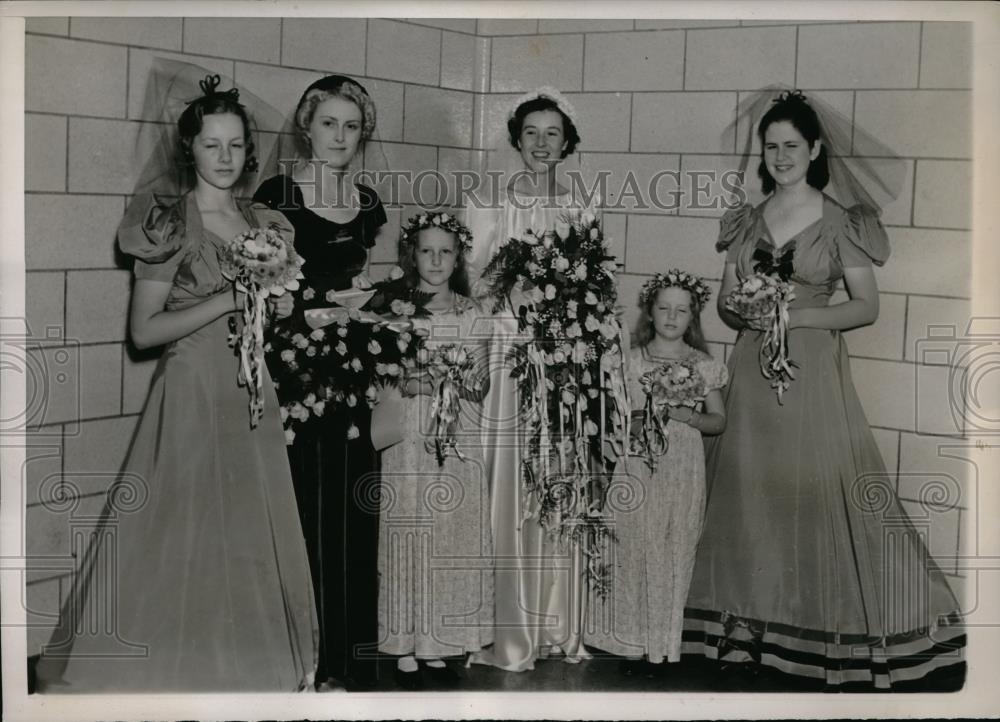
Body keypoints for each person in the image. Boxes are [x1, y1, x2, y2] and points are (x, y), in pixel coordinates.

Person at [34, 74, 317, 692]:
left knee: (244, 531)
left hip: (250, 394)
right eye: (211, 144)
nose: (224, 157)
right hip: (191, 389)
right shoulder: (166, 221)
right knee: (178, 531)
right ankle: (165, 668)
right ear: (189, 147)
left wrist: (277, 304)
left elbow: (274, 311)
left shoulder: (264, 222)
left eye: (236, 145)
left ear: (249, 150)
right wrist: (227, 300)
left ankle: (236, 664)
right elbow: (144, 331)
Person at [682, 90, 965, 689]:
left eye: (792, 146)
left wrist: (795, 316)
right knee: (750, 496)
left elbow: (865, 307)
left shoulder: (841, 220)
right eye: (771, 147)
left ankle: (818, 626)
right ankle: (747, 630)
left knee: (813, 492)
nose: (781, 156)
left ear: (814, 149)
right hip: (753, 371)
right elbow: (727, 305)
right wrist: (744, 309)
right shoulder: (748, 220)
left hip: (809, 371)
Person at [253, 75, 387, 691]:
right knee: (303, 504)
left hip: (351, 370)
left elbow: (364, 280)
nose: (340, 136)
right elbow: (262, 287)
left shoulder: (367, 201)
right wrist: (309, 306)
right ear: (307, 126)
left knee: (354, 506)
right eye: (329, 123)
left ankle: (349, 657)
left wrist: (367, 303)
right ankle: (301, 657)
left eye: (351, 125)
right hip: (293, 369)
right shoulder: (277, 194)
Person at [464, 87, 601, 672]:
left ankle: (554, 625)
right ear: (517, 141)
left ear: (567, 142)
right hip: (510, 351)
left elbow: (596, 282)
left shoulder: (583, 203)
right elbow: (473, 281)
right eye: (531, 134)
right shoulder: (490, 199)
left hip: (565, 356)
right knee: (511, 478)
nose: (542, 144)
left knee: (559, 475)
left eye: (553, 134)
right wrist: (512, 287)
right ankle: (509, 627)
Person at [587, 270, 726, 676]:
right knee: (632, 545)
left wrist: (687, 414)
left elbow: (719, 421)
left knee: (672, 546)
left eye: (681, 310)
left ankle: (662, 648)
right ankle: (630, 642)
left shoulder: (702, 365)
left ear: (693, 317)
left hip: (682, 465)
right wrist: (632, 420)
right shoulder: (629, 360)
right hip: (637, 461)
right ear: (650, 311)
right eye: (664, 308)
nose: (671, 317)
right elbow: (611, 414)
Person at [377, 213, 494, 689]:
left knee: (450, 532)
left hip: (456, 432)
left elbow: (483, 383)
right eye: (426, 251)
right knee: (410, 528)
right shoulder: (392, 307)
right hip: (409, 434)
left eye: (445, 251)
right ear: (412, 255)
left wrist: (455, 378)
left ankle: (440, 641)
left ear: (458, 256)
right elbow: (380, 373)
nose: (436, 260)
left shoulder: (473, 313)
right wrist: (411, 379)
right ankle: (403, 641)